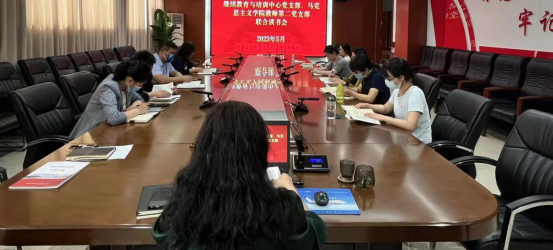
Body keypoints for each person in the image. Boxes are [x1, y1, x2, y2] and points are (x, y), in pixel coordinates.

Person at [153, 101, 326, 249]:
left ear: (203, 147)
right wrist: (290, 189)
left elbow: (161, 234)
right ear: (260, 150)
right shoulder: (280, 208)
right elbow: (313, 232)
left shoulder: (183, 206)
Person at [355, 58, 432, 144]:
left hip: (418, 142)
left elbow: (410, 124)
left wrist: (383, 118)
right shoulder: (397, 91)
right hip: (403, 136)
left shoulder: (415, 93)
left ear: (401, 77)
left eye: (389, 79)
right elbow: (385, 108)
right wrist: (368, 106)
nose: (387, 82)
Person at [70, 61, 152, 138]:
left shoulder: (125, 84)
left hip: (109, 132)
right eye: (140, 85)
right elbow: (114, 118)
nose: (140, 87)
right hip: (90, 135)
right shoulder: (108, 88)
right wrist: (138, 110)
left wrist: (134, 106)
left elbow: (139, 98)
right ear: (130, 80)